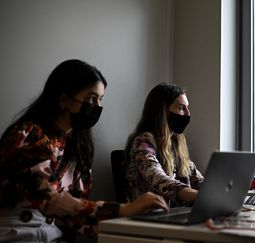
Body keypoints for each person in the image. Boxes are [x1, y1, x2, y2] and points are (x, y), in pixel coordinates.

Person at [0, 59, 168, 242]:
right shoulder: (28, 135)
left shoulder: (76, 145)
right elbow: (49, 199)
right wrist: (123, 209)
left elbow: (76, 216)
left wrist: (126, 232)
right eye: (90, 98)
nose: (97, 106)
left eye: (100, 99)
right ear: (63, 100)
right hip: (16, 234)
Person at [123, 83, 204, 207]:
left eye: (187, 108)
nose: (188, 114)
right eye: (181, 108)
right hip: (151, 216)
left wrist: (226, 188)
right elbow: (158, 179)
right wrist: (200, 196)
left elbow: (197, 179)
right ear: (162, 111)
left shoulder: (176, 142)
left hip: (179, 214)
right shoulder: (143, 142)